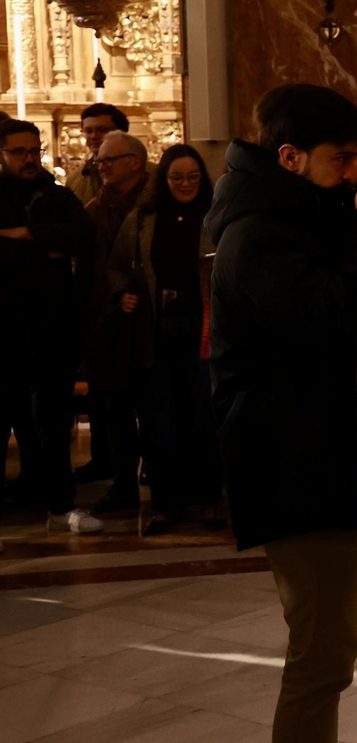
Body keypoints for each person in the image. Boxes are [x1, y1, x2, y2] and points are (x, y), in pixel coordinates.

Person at [207, 83, 357, 743]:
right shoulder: (257, 235)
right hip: (296, 473)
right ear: (289, 156)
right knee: (320, 660)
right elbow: (338, 319)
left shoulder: (292, 215)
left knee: (328, 655)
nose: (353, 173)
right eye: (342, 158)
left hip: (322, 461)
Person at [106, 145, 222, 535]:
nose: (185, 185)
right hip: (156, 326)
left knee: (203, 415)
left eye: (192, 177)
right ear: (164, 180)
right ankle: (166, 504)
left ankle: (208, 499)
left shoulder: (215, 217)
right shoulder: (143, 219)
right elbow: (118, 266)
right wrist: (122, 292)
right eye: (176, 178)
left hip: (201, 324)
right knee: (159, 419)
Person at [0, 119, 101, 534]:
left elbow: (84, 237)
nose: (29, 159)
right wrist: (46, 249)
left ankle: (61, 506)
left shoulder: (57, 196)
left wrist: (27, 234)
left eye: (33, 150)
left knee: (55, 423)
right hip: (5, 328)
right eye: (18, 152)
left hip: (52, 327)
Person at [83, 131, 152, 515]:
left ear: (134, 163)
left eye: (108, 160)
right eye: (99, 162)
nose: (101, 166)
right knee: (115, 410)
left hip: (147, 322)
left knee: (155, 407)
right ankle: (122, 482)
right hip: (108, 322)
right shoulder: (96, 209)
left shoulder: (153, 204)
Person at [67, 102, 133, 205]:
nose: (94, 136)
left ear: (121, 132)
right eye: (88, 131)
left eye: (102, 130)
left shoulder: (147, 172)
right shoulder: (75, 180)